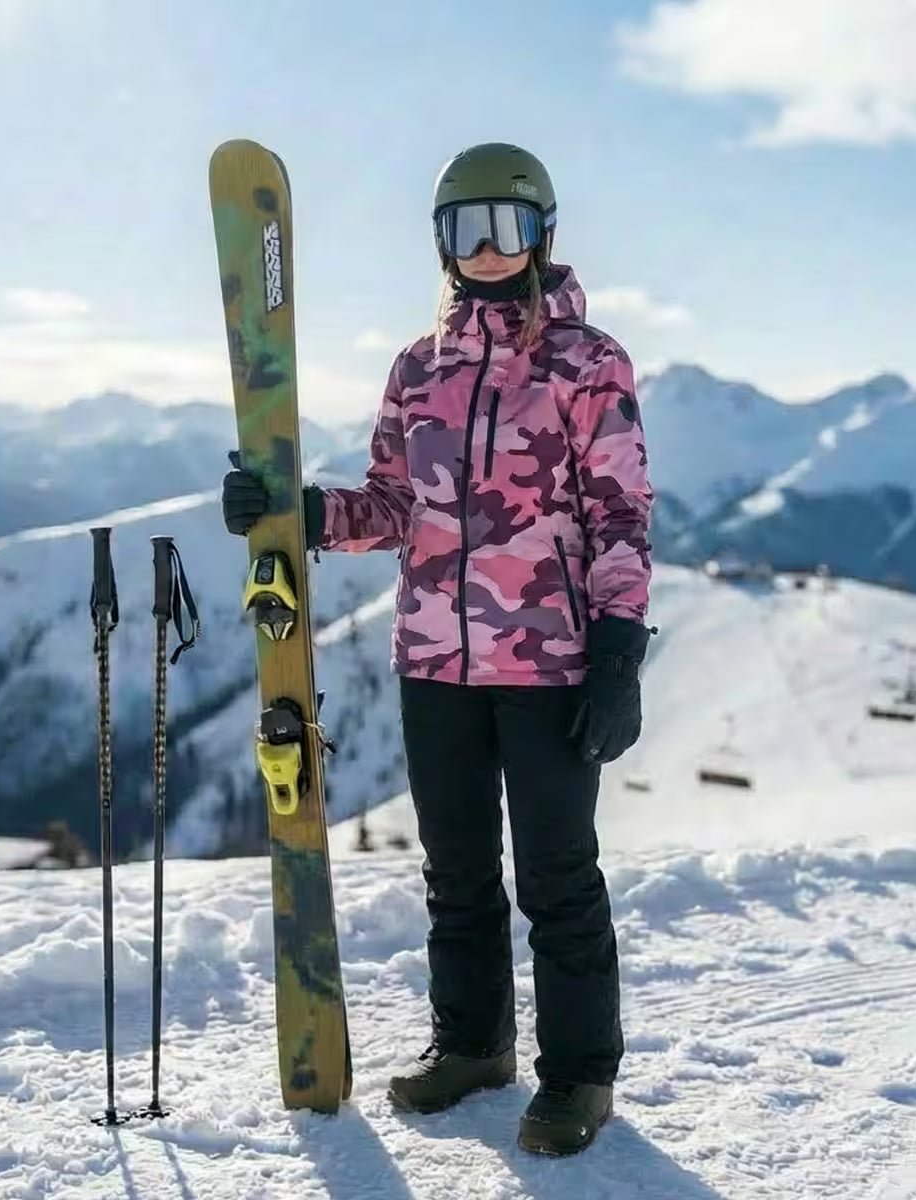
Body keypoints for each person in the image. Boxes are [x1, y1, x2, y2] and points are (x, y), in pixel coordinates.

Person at [222, 142, 653, 1156]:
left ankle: (580, 1074)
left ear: (543, 232)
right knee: (456, 872)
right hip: (435, 663)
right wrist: (298, 510)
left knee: (557, 876)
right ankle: (474, 1046)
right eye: (467, 231)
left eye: (506, 228)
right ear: (443, 245)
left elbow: (622, 513)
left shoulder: (591, 365)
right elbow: (387, 506)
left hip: (548, 666)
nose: (488, 251)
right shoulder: (420, 368)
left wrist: (620, 650)